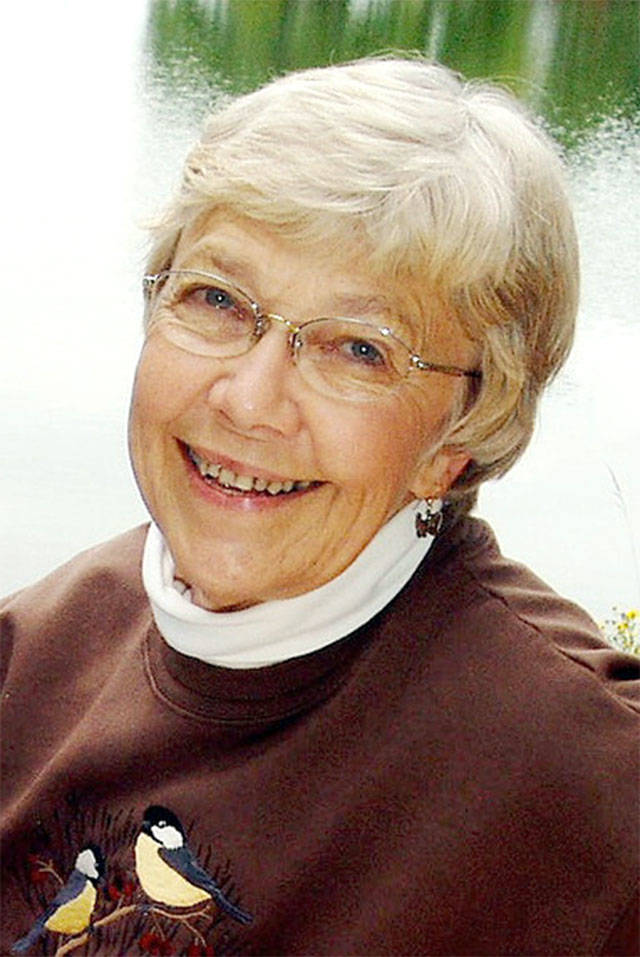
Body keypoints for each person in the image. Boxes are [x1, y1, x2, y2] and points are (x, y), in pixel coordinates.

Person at [1, 56, 638, 956]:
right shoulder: (34, 653)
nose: (249, 400)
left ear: (460, 436)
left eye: (359, 349)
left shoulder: (596, 785)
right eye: (217, 299)